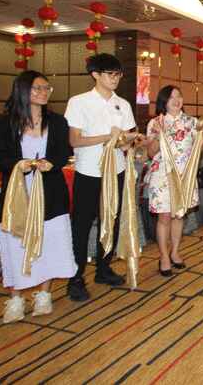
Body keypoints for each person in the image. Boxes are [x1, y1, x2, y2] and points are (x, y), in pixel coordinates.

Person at [0, 71, 77, 323]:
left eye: (46, 88)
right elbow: (1, 157)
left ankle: (44, 294)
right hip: (18, 193)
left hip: (50, 192)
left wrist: (51, 163)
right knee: (15, 244)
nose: (43, 92)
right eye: (37, 88)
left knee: (50, 242)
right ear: (22, 90)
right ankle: (15, 298)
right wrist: (20, 164)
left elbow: (63, 152)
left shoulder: (57, 121)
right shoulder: (7, 123)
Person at [64, 53, 140, 302]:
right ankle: (76, 277)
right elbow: (75, 140)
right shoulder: (79, 102)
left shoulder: (122, 104)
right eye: (110, 74)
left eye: (118, 74)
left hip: (116, 170)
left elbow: (126, 141)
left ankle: (103, 268)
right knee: (82, 224)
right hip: (89, 171)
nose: (115, 79)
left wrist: (130, 141)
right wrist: (108, 137)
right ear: (95, 74)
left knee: (111, 220)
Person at [145, 85, 203, 276]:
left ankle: (175, 252)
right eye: (171, 97)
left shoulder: (192, 122)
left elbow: (200, 150)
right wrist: (159, 134)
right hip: (162, 176)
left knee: (179, 215)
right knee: (164, 217)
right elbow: (151, 153)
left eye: (179, 96)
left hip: (185, 176)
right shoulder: (155, 123)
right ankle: (163, 256)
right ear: (164, 102)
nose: (176, 100)